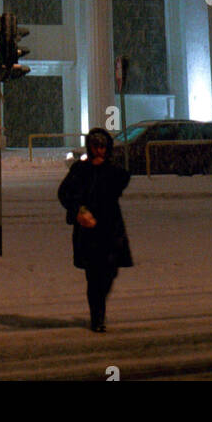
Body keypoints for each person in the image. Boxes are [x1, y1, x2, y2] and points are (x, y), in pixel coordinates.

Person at [57, 127, 132, 331]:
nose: (99, 151)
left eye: (103, 147)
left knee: (109, 273)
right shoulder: (80, 171)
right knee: (94, 275)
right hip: (88, 231)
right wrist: (78, 210)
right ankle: (97, 317)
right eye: (95, 146)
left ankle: (99, 306)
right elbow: (64, 193)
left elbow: (123, 179)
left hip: (109, 229)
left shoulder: (112, 171)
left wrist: (106, 166)